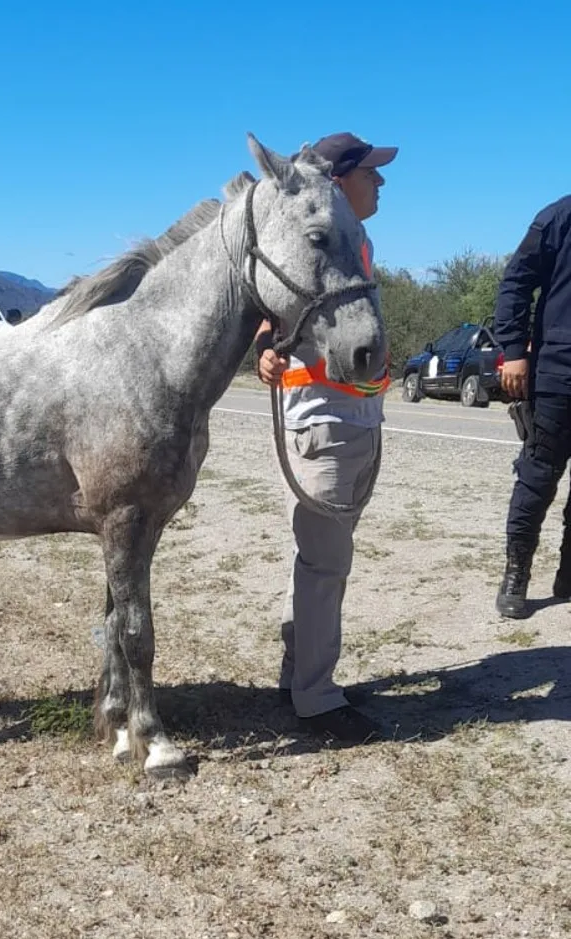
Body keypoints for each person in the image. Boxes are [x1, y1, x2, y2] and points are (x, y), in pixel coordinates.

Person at [253, 132, 393, 744]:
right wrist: (264, 349)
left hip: (351, 423)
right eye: (371, 172)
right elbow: (266, 315)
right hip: (323, 424)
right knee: (325, 565)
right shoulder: (315, 250)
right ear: (337, 183)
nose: (381, 182)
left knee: (317, 563)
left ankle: (300, 677)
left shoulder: (352, 247)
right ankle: (316, 697)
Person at [489, 193, 571, 618]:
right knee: (538, 477)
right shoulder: (559, 217)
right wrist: (513, 350)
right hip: (558, 371)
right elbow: (517, 281)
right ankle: (516, 574)